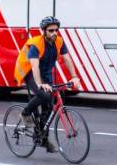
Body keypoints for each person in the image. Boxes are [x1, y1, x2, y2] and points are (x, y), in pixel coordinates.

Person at [13, 16, 80, 153]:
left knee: (49, 106)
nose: (54, 33)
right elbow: (34, 65)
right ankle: (25, 114)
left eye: (56, 30)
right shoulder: (36, 44)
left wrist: (74, 77)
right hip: (29, 72)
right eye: (51, 30)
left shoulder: (59, 42)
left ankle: (42, 138)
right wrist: (39, 84)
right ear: (44, 31)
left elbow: (67, 59)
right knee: (43, 95)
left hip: (46, 73)